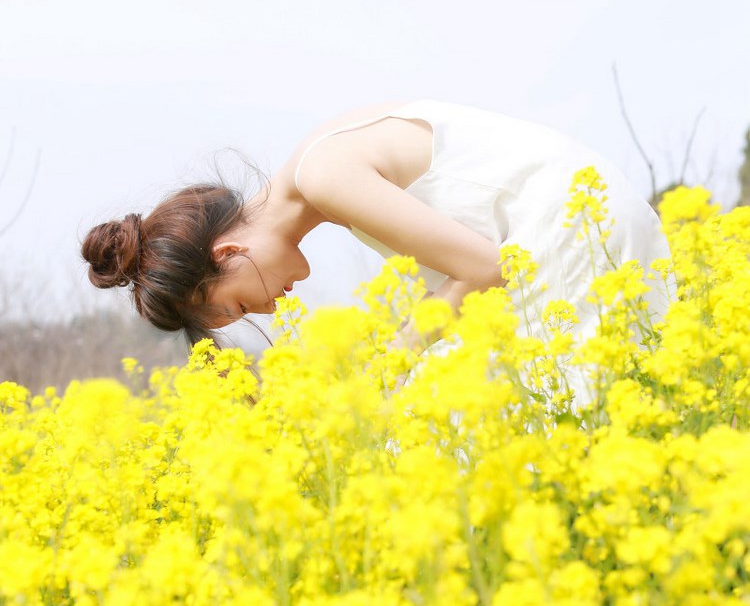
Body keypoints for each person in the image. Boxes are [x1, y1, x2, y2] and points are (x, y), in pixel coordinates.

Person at [82, 97, 672, 365]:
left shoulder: (323, 175)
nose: (268, 310)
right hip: (578, 220)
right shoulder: (316, 166)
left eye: (239, 302)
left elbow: (487, 268)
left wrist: (389, 362)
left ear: (230, 252)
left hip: (568, 230)